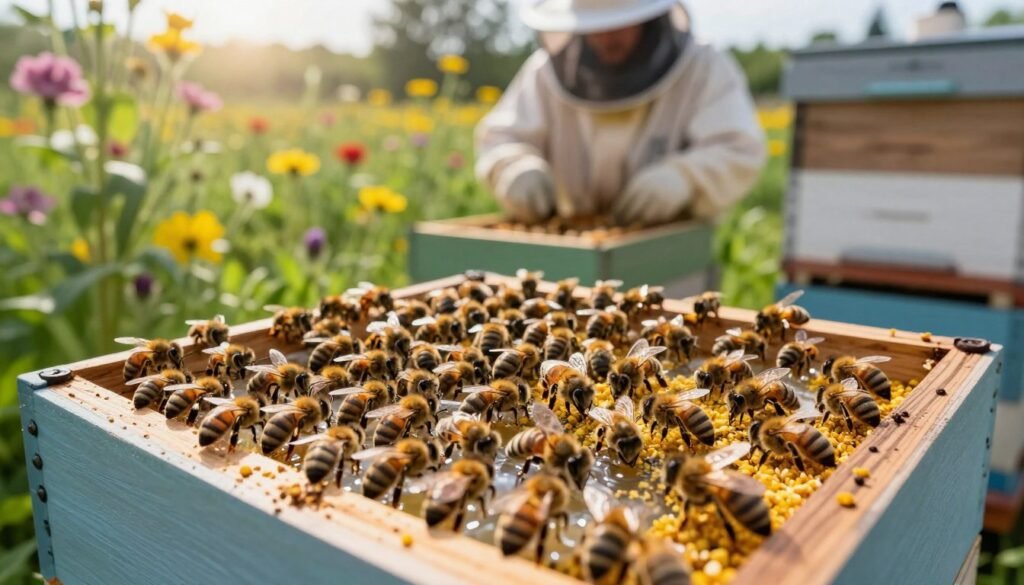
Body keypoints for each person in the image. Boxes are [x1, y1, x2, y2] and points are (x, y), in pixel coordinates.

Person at [475, 0, 766, 226]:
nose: (605, 37)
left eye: (619, 23)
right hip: (573, 255)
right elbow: (501, 137)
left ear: (648, 16)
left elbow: (739, 148)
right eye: (594, 24)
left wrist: (686, 178)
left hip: (668, 255)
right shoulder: (545, 72)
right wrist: (513, 165)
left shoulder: (704, 67)